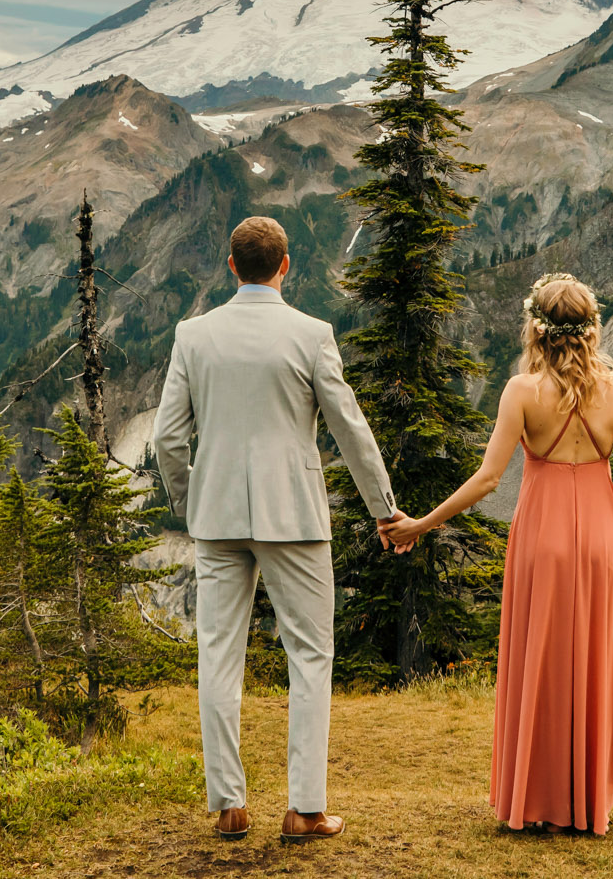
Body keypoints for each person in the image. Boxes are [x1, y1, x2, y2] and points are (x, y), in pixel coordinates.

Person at [152, 216, 403, 844]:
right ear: (285, 266)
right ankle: (305, 809)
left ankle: (229, 805)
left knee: (218, 654)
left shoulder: (193, 335)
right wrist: (384, 508)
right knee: (311, 656)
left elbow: (166, 439)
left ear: (231, 267)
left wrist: (191, 502)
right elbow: (350, 429)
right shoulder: (311, 335)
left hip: (217, 520)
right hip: (293, 516)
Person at [380, 272, 613, 835]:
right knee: (594, 661)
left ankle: (538, 800)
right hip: (602, 537)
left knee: (542, 663)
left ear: (536, 328)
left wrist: (421, 525)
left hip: (541, 536)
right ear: (592, 328)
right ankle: (587, 803)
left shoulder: (521, 392)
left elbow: (486, 480)